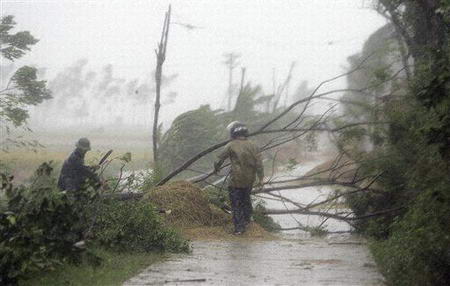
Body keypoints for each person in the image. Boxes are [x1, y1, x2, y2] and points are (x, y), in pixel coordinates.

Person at [214, 121, 264, 235]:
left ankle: (239, 229)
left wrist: (216, 169)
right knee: (246, 200)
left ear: (233, 132)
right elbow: (259, 165)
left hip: (236, 180)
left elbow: (218, 159)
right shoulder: (254, 146)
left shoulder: (231, 145)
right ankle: (247, 221)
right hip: (249, 180)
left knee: (236, 205)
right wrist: (261, 179)